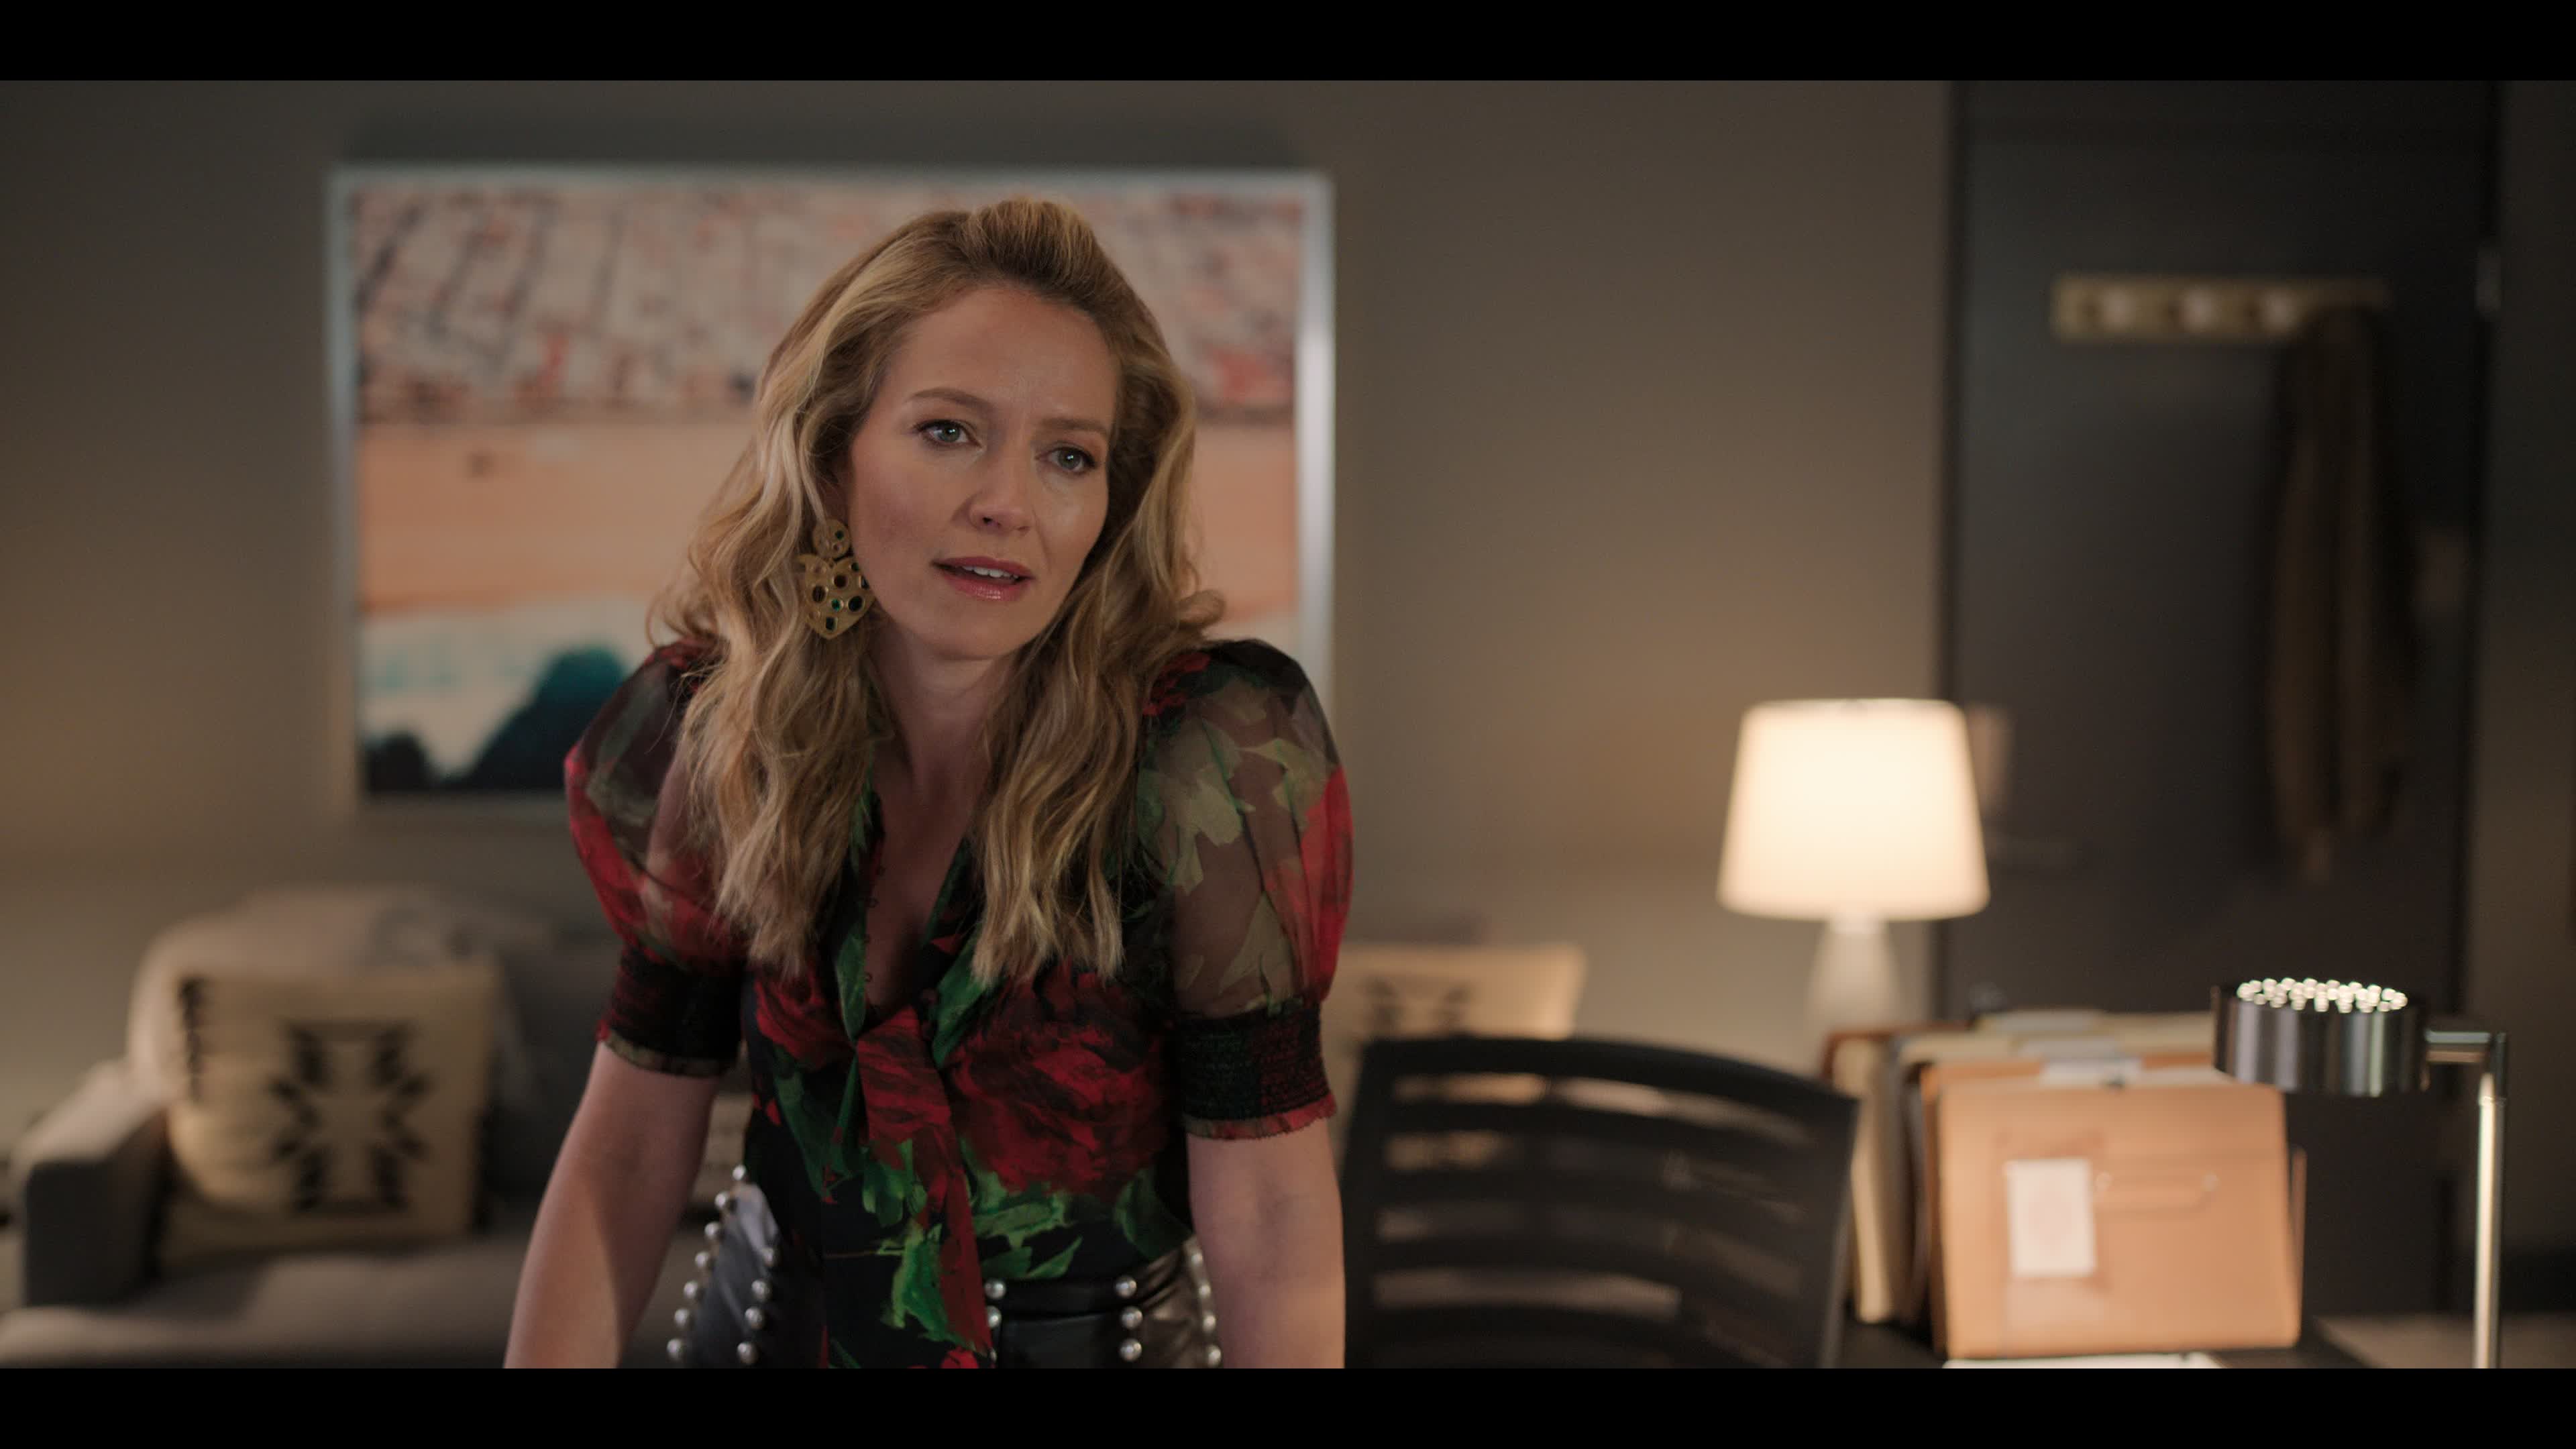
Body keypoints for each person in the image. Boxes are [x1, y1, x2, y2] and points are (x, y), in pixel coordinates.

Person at [504, 197, 1350, 1368]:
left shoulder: (1209, 755)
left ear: (1109, 504)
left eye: (1068, 455)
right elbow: (630, 1150)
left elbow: (1274, 1220)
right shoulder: (715, 730)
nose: (1008, 501)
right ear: (832, 457)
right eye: (949, 431)